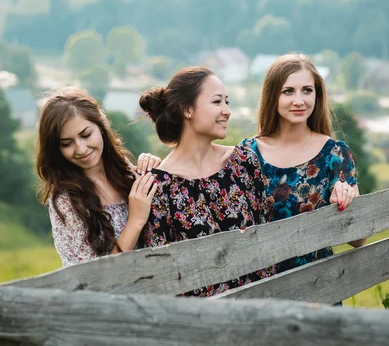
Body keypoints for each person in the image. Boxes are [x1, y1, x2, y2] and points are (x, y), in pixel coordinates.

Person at [139, 67, 274, 297]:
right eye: (217, 102)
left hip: (258, 308)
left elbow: (267, 235)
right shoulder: (158, 186)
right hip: (200, 321)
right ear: (187, 109)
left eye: (227, 101)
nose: (227, 111)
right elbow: (159, 273)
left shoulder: (243, 161)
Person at [239, 53, 366, 276]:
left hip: (316, 285)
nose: (299, 100)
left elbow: (358, 240)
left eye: (307, 90)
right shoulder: (248, 152)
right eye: (288, 91)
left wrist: (348, 200)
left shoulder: (335, 154)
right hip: (257, 286)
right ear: (272, 96)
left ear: (317, 95)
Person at [36, 87, 160, 267]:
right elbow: (94, 276)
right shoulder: (67, 201)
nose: (80, 149)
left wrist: (151, 167)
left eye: (86, 135)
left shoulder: (124, 170)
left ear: (101, 127)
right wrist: (135, 220)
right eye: (66, 143)